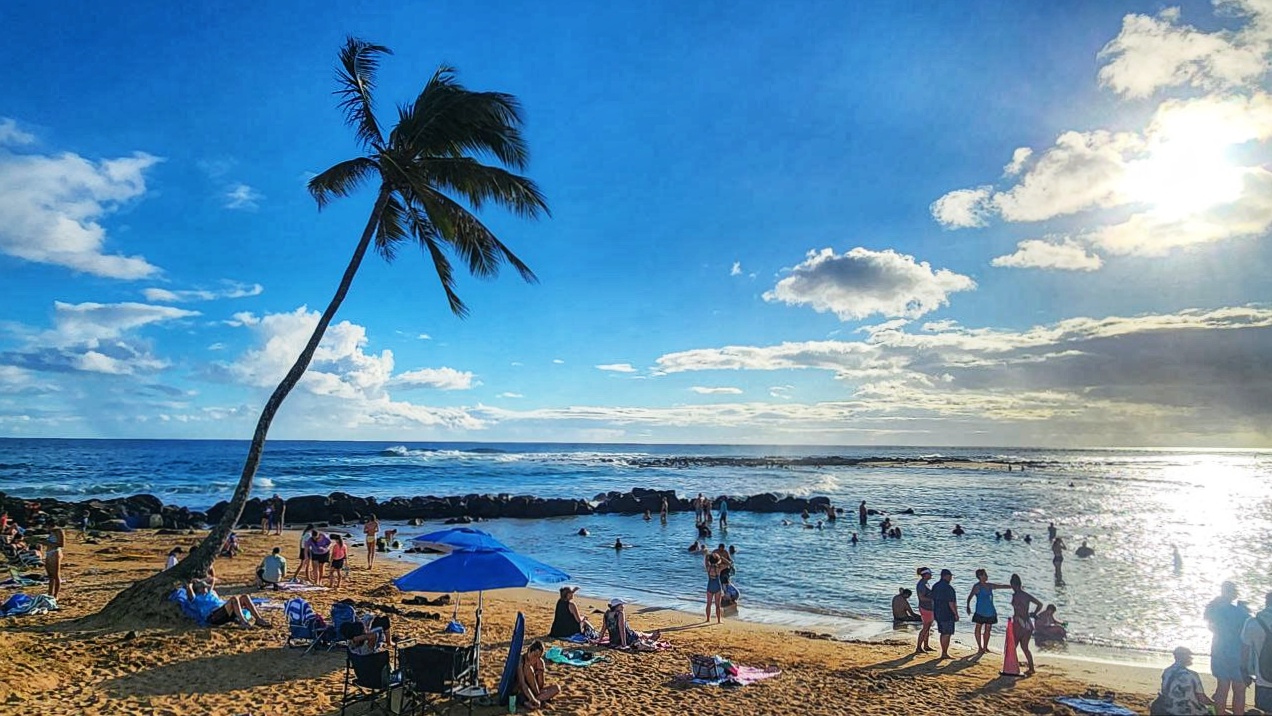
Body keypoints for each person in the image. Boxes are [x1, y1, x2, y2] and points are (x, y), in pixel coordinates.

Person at [1204, 581, 1249, 716]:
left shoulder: (1214, 609)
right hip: (1236, 652)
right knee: (1239, 689)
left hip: (1219, 650)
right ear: (1231, 593)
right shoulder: (1239, 612)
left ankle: (1220, 713)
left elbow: (1211, 627)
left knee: (1222, 687)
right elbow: (1248, 629)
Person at [186, 575, 272, 629]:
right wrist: (192, 583)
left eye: (205, 586)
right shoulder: (196, 598)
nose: (205, 588)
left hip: (225, 611)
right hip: (214, 616)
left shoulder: (211, 592)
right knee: (234, 599)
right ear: (198, 589)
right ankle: (243, 622)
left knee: (245, 597)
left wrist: (200, 580)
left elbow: (212, 579)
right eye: (202, 587)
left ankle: (258, 619)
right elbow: (189, 587)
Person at [1157, 646, 1214, 715]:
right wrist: (1214, 704)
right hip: (1190, 711)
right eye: (1189, 656)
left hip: (1170, 710)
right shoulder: (1192, 675)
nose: (1191, 658)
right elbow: (1202, 699)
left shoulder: (1166, 672)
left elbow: (1165, 691)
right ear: (1185, 657)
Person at [1240, 591, 1272, 714]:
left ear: (1266, 602)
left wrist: (1245, 673)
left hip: (1264, 679)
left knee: (1266, 711)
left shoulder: (1253, 623)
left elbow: (1245, 651)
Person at [1008, 573, 1044, 676]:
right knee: (1025, 647)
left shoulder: (1016, 596)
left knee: (1013, 646)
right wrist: (1034, 613)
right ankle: (1031, 668)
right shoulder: (1026, 595)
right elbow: (1040, 604)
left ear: (1013, 585)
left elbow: (1017, 608)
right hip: (1027, 623)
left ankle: (1012, 666)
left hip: (1019, 623)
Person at [966, 568, 1008, 655]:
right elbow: (970, 596)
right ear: (980, 576)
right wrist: (968, 606)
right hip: (980, 612)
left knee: (988, 629)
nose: (986, 576)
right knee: (978, 628)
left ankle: (985, 647)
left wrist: (1014, 587)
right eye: (985, 574)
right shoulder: (977, 587)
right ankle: (980, 647)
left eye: (986, 574)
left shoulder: (989, 586)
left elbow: (1001, 586)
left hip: (990, 611)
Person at [516, 640, 560, 711]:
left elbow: (540, 686)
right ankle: (536, 700)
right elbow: (522, 684)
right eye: (534, 655)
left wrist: (540, 674)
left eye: (538, 657)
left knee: (557, 688)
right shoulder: (521, 661)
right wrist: (532, 698)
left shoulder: (539, 662)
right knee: (528, 669)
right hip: (525, 691)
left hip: (536, 691)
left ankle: (532, 701)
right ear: (529, 651)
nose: (535, 659)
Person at [930, 569, 959, 659]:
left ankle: (944, 652)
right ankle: (944, 653)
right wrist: (956, 614)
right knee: (947, 633)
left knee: (943, 632)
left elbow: (932, 600)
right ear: (945, 576)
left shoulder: (935, 586)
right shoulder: (949, 588)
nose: (951, 578)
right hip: (947, 613)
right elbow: (951, 603)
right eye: (950, 576)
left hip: (938, 612)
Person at [915, 567, 935, 654]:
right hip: (925, 608)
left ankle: (926, 646)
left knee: (928, 627)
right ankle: (919, 647)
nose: (931, 575)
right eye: (930, 573)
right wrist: (933, 599)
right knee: (925, 628)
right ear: (925, 575)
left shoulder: (926, 583)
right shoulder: (922, 585)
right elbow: (921, 598)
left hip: (929, 608)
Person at [43, 526, 65, 599]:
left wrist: (47, 542)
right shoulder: (51, 533)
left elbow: (61, 544)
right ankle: (50, 593)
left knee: (56, 575)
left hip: (55, 552)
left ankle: (56, 595)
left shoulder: (59, 531)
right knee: (50, 576)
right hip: (48, 552)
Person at [705, 552, 725, 623]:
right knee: (718, 605)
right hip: (717, 586)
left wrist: (708, 555)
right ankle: (719, 620)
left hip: (710, 586)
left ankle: (708, 619)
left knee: (708, 604)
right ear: (717, 560)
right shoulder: (718, 568)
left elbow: (706, 558)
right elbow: (729, 564)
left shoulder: (708, 567)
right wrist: (722, 558)